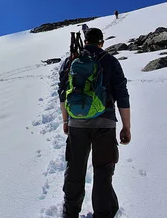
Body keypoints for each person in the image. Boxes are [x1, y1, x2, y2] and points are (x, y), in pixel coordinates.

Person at [58, 28, 131, 218]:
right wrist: (126, 126)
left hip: (77, 123)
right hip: (105, 123)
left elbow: (63, 93)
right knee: (103, 171)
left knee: (75, 168)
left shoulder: (71, 60)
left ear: (85, 41)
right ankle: (104, 213)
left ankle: (70, 212)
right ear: (101, 42)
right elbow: (122, 95)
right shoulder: (110, 61)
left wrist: (66, 120)